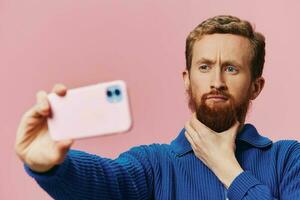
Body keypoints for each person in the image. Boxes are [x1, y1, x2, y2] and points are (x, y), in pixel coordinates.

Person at [15, 15, 300, 200]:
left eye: (231, 68)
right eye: (204, 67)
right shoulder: (154, 165)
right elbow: (103, 182)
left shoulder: (288, 159)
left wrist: (227, 168)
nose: (216, 81)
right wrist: (52, 166)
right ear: (187, 80)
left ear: (256, 87)